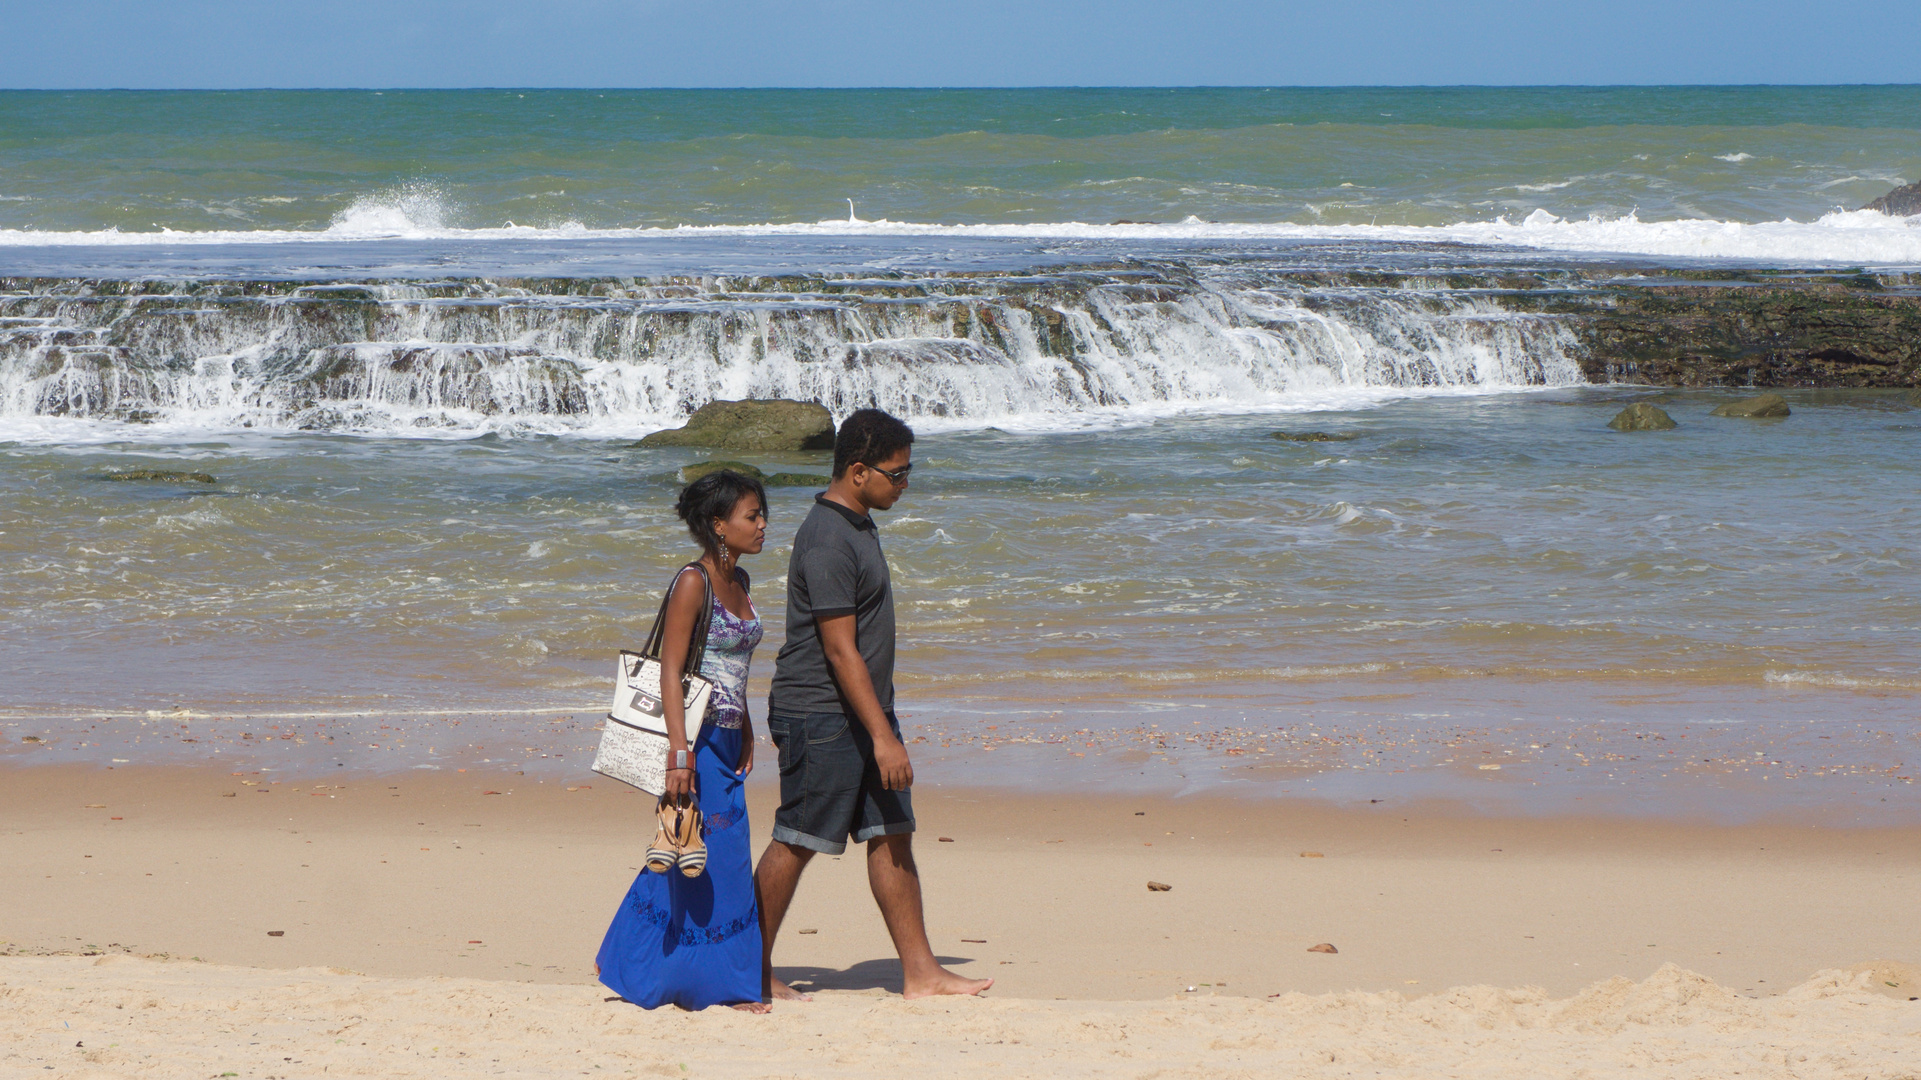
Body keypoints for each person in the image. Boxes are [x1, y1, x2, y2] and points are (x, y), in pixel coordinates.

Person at [754, 409, 993, 1001]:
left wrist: (882, 723)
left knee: (892, 833)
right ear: (858, 472)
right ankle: (748, 969)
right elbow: (838, 650)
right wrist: (883, 735)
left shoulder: (857, 523)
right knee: (798, 837)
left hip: (863, 711)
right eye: (898, 473)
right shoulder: (828, 537)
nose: (905, 483)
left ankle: (921, 973)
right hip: (822, 713)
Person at [597, 470, 773, 1012]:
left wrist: (744, 723)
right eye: (752, 516)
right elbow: (671, 669)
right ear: (719, 525)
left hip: (727, 736)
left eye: (762, 514)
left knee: (719, 851)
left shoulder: (739, 581)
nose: (763, 525)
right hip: (693, 740)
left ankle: (712, 977)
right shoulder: (692, 581)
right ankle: (710, 983)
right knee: (698, 848)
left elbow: (732, 667)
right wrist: (679, 756)